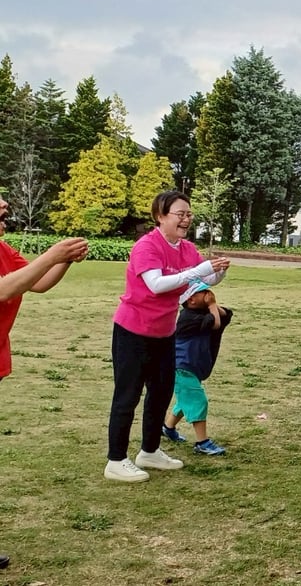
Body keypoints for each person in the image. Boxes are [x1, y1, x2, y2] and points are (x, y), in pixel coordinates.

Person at [105, 191, 229, 482]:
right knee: (128, 395)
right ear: (160, 216)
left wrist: (218, 273)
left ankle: (149, 451)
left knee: (160, 392)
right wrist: (200, 270)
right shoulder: (146, 246)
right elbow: (157, 284)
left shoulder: (186, 249)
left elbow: (199, 280)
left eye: (189, 214)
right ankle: (116, 459)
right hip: (132, 331)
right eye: (180, 214)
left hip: (164, 332)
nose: (186, 220)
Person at [0, 196, 89, 571]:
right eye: (2, 212)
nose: (6, 214)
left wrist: (65, 259)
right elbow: (3, 290)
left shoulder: (2, 248)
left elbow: (36, 284)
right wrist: (51, 254)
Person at [162, 280, 233, 455]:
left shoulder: (201, 311)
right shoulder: (188, 317)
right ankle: (202, 442)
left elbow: (226, 315)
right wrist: (213, 304)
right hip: (181, 366)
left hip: (192, 367)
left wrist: (212, 305)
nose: (209, 294)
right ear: (191, 300)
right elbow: (214, 322)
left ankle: (167, 428)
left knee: (186, 399)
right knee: (197, 400)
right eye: (204, 292)